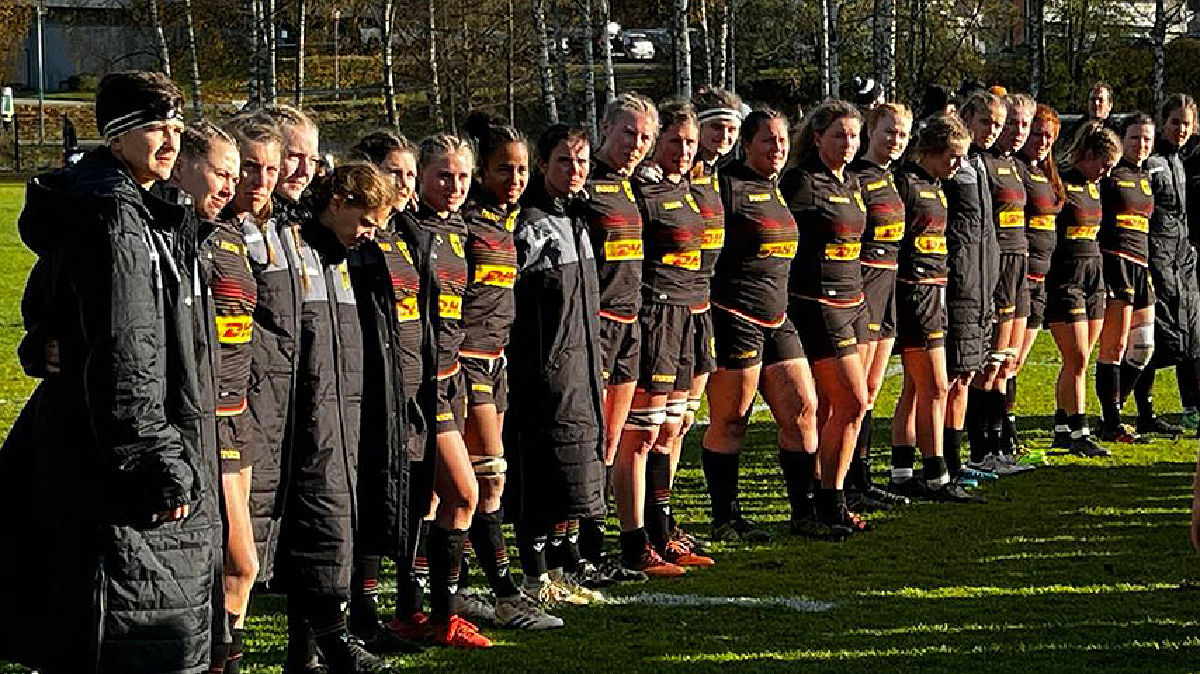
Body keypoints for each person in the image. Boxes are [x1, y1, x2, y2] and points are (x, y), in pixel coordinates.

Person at [0, 71, 221, 674]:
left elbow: (55, 312)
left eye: (177, 126)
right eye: (154, 127)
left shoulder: (146, 214)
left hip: (121, 450)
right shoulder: (114, 219)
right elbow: (129, 354)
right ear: (117, 137)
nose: (171, 140)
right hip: (118, 472)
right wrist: (160, 461)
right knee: (121, 638)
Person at [456, 113, 570, 627]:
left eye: (522, 170)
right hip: (465, 364)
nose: (516, 179)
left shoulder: (508, 221)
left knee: (464, 487)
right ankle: (504, 594)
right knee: (489, 479)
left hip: (497, 362)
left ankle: (453, 589)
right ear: (482, 172)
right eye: (504, 170)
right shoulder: (465, 224)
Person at [387, 135, 494, 649]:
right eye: (442, 176)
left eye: (462, 177)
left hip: (453, 377)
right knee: (463, 493)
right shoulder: (405, 232)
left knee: (432, 501)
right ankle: (438, 614)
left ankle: (421, 612)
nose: (453, 187)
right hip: (420, 384)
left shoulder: (461, 229)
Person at [505, 123, 607, 613]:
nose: (575, 170)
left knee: (575, 469)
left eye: (583, 161)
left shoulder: (581, 220)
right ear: (543, 165)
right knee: (542, 473)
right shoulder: (530, 224)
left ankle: (562, 570)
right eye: (564, 161)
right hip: (543, 369)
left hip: (583, 365)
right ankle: (534, 576)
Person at [701, 108, 817, 543]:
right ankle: (725, 518)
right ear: (746, 145)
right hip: (735, 316)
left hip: (779, 316)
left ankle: (804, 512)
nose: (777, 149)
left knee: (803, 410)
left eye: (783, 141)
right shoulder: (726, 187)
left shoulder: (779, 189)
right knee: (732, 420)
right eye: (767, 140)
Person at [614, 101, 715, 575]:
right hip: (655, 317)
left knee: (672, 430)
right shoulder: (641, 189)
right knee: (642, 433)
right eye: (674, 140)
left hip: (691, 317)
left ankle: (661, 526)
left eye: (690, 142)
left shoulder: (690, 188)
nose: (683, 149)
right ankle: (634, 540)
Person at [342, 130, 432, 654]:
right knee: (365, 500)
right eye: (393, 172)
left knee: (397, 498)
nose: (403, 183)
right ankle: (355, 615)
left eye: (408, 173)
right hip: (370, 389)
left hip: (412, 385)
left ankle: (379, 614)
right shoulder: (359, 242)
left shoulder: (406, 235)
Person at [170, 120, 251, 674]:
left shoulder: (225, 235)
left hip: (232, 413)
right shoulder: (169, 234)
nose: (231, 184)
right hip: (190, 421)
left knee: (237, 567)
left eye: (235, 175)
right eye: (221, 172)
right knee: (234, 563)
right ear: (184, 166)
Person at [781, 99, 873, 537]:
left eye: (854, 135)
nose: (848, 143)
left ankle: (823, 498)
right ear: (817, 138)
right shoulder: (801, 183)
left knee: (835, 407)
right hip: (816, 305)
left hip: (852, 302)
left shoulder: (853, 181)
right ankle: (830, 500)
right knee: (853, 403)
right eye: (839, 135)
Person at [216, 111, 285, 672]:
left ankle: (223, 656)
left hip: (247, 408)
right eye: (249, 169)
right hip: (209, 414)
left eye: (270, 169)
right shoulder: (204, 231)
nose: (259, 181)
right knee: (239, 561)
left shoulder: (262, 233)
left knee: (240, 565)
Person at [581, 93, 658, 576]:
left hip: (631, 324)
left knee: (611, 440)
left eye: (645, 137)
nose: (636, 144)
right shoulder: (585, 186)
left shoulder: (638, 188)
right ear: (605, 128)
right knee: (587, 439)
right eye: (628, 132)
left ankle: (604, 540)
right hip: (595, 325)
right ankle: (580, 546)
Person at [887, 113, 981, 502]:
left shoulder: (935, 186)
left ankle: (902, 470)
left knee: (916, 386)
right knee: (936, 386)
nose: (957, 165)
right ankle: (936, 475)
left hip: (935, 290)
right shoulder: (907, 184)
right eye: (953, 156)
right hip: (916, 293)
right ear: (933, 150)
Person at [848, 103, 913, 511]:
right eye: (889, 132)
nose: (896, 140)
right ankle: (843, 480)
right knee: (854, 394)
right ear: (871, 131)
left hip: (888, 289)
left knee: (872, 390)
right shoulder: (857, 177)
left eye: (903, 134)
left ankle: (863, 477)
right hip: (863, 290)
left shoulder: (894, 179)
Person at [1046, 122, 1121, 456]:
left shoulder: (1094, 187)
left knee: (1080, 359)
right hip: (1066, 279)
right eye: (1104, 165)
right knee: (1075, 358)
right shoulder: (1061, 181)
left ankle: (1062, 426)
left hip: (1094, 277)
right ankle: (1080, 431)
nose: (1106, 173)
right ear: (1088, 155)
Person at [942, 90, 1006, 480]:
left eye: (997, 124)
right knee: (949, 377)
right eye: (985, 122)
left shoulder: (982, 164)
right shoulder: (955, 165)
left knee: (967, 373)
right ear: (965, 118)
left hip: (983, 280)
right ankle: (941, 462)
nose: (993, 131)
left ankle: (960, 457)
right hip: (958, 282)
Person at [1131, 94, 1200, 437]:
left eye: (1186, 124)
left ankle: (1190, 405)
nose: (1181, 129)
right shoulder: (1153, 160)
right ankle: (1143, 409)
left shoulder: (1181, 160)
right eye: (1175, 123)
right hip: (1156, 256)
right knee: (1155, 337)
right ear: (1164, 123)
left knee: (1187, 335)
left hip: (1181, 258)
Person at [1008, 104, 1066, 466]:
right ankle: (1003, 431)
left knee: (1019, 360)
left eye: (1048, 135)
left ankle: (1005, 429)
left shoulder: (1047, 173)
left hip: (1042, 278)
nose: (1041, 141)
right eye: (1036, 134)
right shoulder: (1015, 170)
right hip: (1019, 278)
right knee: (1007, 361)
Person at [1095, 113, 1157, 445]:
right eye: (1135, 138)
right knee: (1115, 346)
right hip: (1116, 262)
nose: (1141, 144)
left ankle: (1113, 406)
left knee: (1144, 347)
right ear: (1123, 139)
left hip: (1142, 264)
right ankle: (1112, 421)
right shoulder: (1110, 174)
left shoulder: (1145, 176)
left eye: (1147, 138)